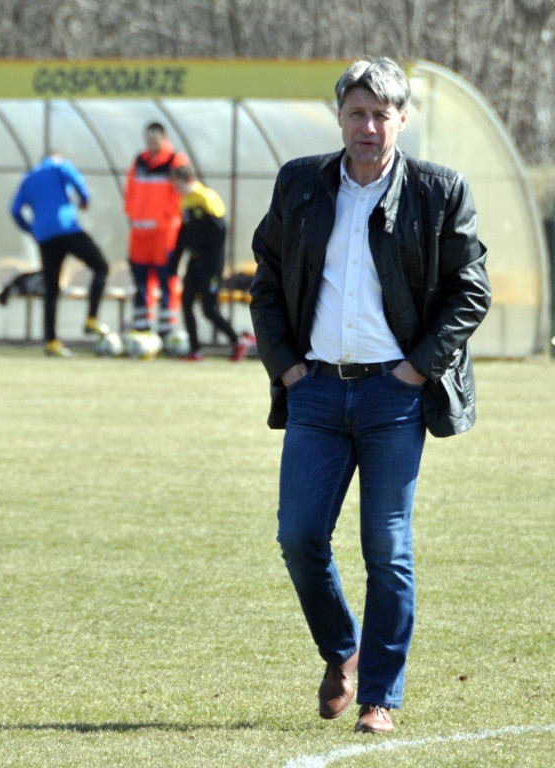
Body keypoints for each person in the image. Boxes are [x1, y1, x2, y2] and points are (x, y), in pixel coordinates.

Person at [249, 57, 491, 734]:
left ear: (402, 121)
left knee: (387, 549)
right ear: (339, 118)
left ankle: (379, 696)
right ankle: (341, 650)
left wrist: (415, 370)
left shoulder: (440, 192)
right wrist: (289, 370)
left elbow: (470, 291)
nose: (368, 125)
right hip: (316, 393)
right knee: (298, 537)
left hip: (395, 395)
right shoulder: (300, 182)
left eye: (382, 114)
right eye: (356, 112)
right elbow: (265, 282)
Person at [10, 151, 109, 357]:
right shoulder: (57, 165)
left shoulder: (27, 178)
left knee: (51, 289)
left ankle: (52, 341)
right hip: (67, 229)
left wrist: (32, 229)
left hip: (45, 237)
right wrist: (84, 198)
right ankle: (91, 319)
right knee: (101, 267)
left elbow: (15, 210)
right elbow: (74, 177)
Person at [168, 164, 252, 362]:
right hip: (194, 262)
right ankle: (195, 349)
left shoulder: (206, 198)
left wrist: (212, 263)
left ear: (189, 180)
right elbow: (183, 236)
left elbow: (220, 232)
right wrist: (173, 264)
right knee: (186, 303)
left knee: (209, 309)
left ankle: (237, 340)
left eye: (178, 184)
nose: (176, 189)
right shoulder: (186, 202)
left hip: (210, 264)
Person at [123, 122, 188, 337]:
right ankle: (141, 327)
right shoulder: (140, 160)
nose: (152, 142)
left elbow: (182, 192)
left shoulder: (174, 160)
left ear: (163, 137)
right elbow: (130, 190)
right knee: (140, 282)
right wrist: (132, 214)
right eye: (148, 138)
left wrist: (166, 218)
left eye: (155, 138)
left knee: (166, 280)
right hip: (139, 233)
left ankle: (166, 330)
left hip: (163, 233)